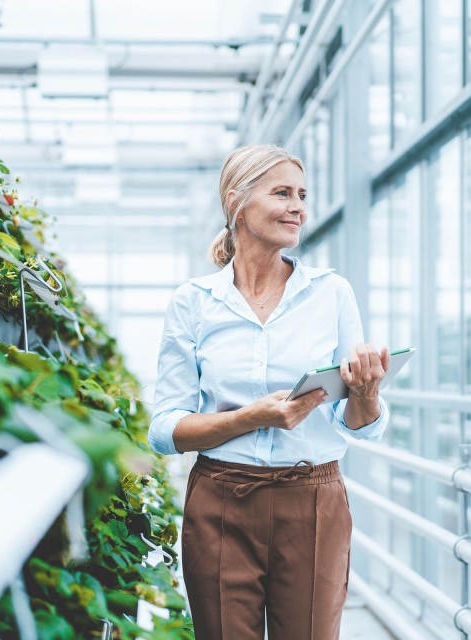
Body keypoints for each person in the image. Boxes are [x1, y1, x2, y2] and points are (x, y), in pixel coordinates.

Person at [148, 144, 390, 640]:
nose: (298, 206)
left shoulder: (331, 293)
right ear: (237, 201)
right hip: (220, 503)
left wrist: (367, 391)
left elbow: (361, 423)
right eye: (282, 192)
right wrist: (251, 417)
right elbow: (164, 429)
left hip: (313, 502)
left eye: (302, 194)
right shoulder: (194, 303)